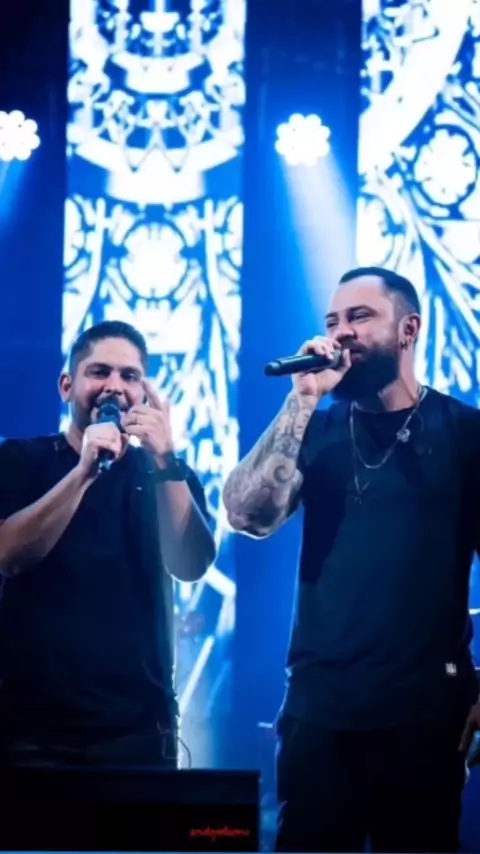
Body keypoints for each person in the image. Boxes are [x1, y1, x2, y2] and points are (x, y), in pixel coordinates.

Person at [223, 267, 480, 853]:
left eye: (360, 317)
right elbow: (245, 515)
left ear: (409, 329)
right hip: (319, 710)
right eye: (333, 320)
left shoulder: (465, 434)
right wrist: (301, 400)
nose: (341, 333)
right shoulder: (316, 426)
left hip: (425, 714)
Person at [0, 320, 215, 769]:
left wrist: (164, 459)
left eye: (129, 376)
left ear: (145, 394)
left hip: (139, 731)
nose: (114, 386)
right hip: (32, 733)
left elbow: (191, 563)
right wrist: (84, 472)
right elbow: (9, 555)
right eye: (99, 372)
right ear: (67, 385)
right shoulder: (21, 460)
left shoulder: (165, 474)